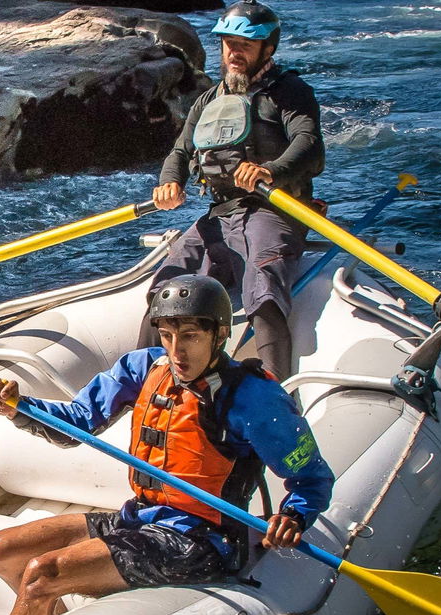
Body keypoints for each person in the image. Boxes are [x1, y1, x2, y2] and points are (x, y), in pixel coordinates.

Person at [0, 275, 334, 615]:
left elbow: (312, 477)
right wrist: (18, 407)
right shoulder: (145, 367)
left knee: (41, 573)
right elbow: (79, 423)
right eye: (167, 336)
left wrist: (294, 515)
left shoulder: (254, 398)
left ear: (220, 334)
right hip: (141, 517)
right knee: (3, 549)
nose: (177, 352)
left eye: (191, 337)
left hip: (200, 540)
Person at [150, 0, 325, 381]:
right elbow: (180, 151)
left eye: (245, 44)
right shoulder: (208, 100)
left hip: (274, 210)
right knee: (167, 288)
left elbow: (309, 144)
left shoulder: (290, 91)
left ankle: (274, 387)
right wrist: (170, 182)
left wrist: (271, 170)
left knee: (260, 284)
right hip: (220, 213)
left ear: (268, 48)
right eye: (228, 43)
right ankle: (151, 381)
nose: (234, 52)